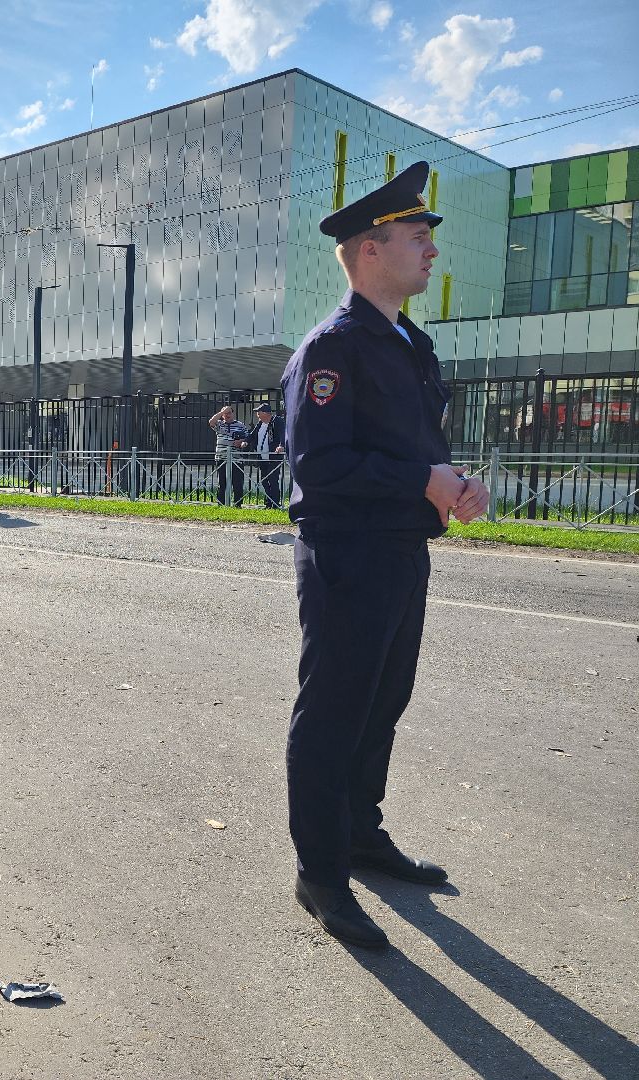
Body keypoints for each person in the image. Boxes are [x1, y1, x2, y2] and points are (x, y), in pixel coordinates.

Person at [283, 161, 490, 951]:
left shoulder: (408, 342)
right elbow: (321, 467)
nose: (430, 250)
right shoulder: (333, 348)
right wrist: (422, 478)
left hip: (402, 549)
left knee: (382, 704)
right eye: (416, 236)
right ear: (370, 251)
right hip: (348, 554)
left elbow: (414, 450)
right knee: (334, 711)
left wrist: (452, 483)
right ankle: (321, 874)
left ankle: (360, 834)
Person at [246, 402, 286, 510]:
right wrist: (245, 441)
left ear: (265, 413)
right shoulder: (260, 423)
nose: (257, 414)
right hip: (262, 457)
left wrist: (281, 446)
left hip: (273, 457)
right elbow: (252, 435)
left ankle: (275, 504)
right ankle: (268, 502)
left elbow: (283, 434)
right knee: (264, 480)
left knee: (273, 480)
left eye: (258, 412)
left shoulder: (277, 421)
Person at [208, 404, 248, 506]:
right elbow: (211, 422)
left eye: (229, 412)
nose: (227, 415)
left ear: (233, 413)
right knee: (222, 483)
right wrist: (221, 412)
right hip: (221, 458)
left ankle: (237, 504)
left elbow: (248, 438)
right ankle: (221, 504)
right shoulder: (219, 424)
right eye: (225, 413)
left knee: (237, 483)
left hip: (236, 458)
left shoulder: (240, 425)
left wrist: (241, 442)